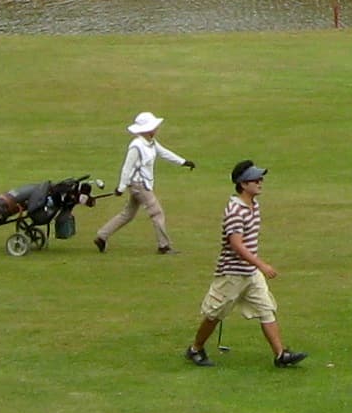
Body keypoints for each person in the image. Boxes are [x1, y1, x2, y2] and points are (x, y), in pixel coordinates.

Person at [187, 160, 303, 368]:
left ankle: (280, 355)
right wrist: (262, 265)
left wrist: (255, 268)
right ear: (243, 184)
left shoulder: (254, 205)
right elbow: (236, 245)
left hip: (249, 274)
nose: (260, 182)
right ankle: (195, 349)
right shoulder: (235, 211)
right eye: (255, 179)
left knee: (266, 309)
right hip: (231, 274)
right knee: (214, 314)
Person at [93, 111, 191, 253]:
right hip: (140, 185)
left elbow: (164, 153)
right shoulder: (136, 146)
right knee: (157, 213)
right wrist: (121, 186)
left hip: (141, 184)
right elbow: (127, 167)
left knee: (128, 214)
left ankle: (102, 236)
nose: (157, 129)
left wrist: (183, 162)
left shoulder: (151, 143)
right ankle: (164, 246)